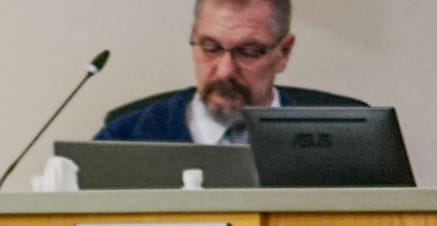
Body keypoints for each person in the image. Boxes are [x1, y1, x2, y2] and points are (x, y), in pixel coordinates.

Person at [96, 0, 303, 144]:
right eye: (211, 48)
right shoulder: (123, 138)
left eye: (248, 52)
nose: (224, 72)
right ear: (194, 36)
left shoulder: (321, 147)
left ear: (284, 52)